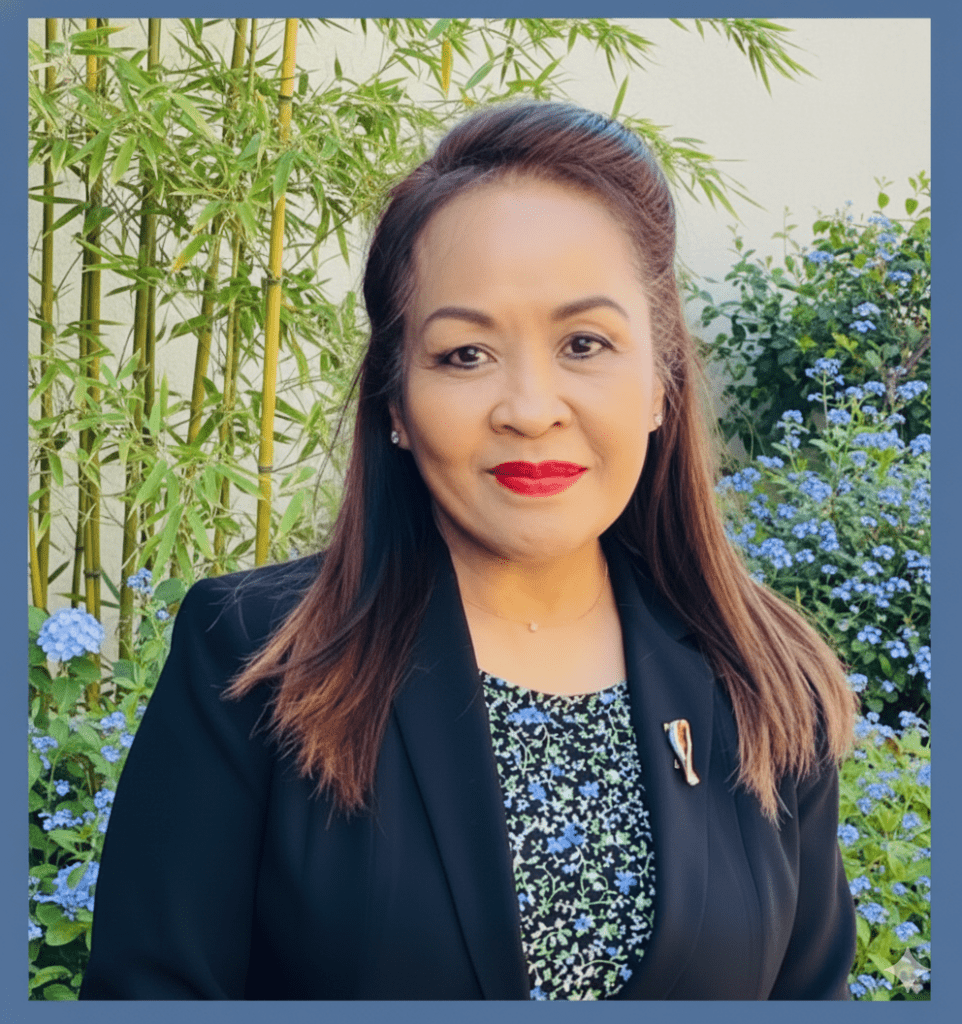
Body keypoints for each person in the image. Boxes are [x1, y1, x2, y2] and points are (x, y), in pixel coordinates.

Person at [80, 101, 857, 1001]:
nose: (530, 408)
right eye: (464, 355)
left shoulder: (763, 679)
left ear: (659, 382)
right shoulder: (256, 659)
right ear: (397, 404)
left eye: (584, 344)